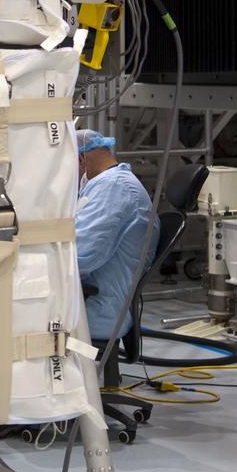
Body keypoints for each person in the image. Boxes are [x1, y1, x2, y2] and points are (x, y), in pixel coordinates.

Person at [75, 130, 159, 341]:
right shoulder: (107, 185)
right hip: (93, 301)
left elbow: (80, 258)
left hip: (99, 310)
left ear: (81, 159)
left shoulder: (114, 187)